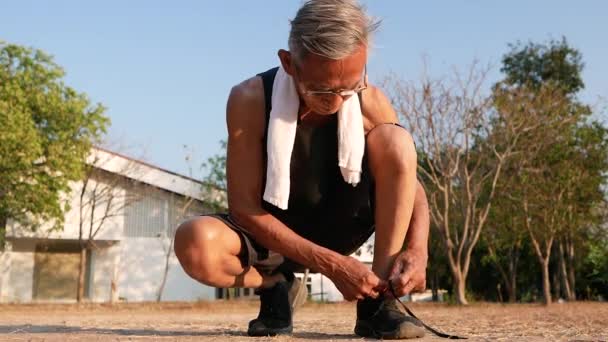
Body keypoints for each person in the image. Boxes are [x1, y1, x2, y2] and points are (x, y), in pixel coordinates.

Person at [174, 0, 430, 339]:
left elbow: (412, 187)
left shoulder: (370, 100)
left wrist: (418, 249)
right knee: (194, 242)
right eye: (324, 90)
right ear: (288, 63)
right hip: (272, 237)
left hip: (344, 225)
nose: (338, 101)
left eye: (350, 86)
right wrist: (332, 266)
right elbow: (244, 209)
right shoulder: (249, 99)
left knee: (398, 142)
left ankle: (378, 306)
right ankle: (276, 287)